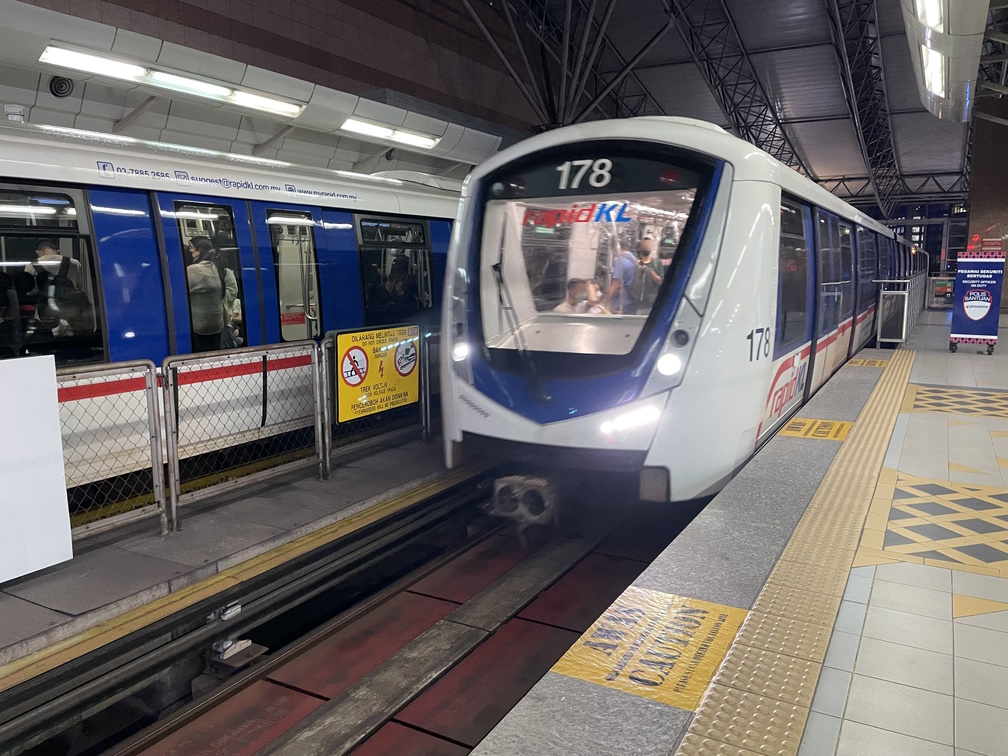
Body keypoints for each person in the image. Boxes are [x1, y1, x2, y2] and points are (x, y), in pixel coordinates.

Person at [186, 236, 225, 352]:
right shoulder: (214, 266)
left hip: (201, 326)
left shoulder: (194, 270)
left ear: (200, 251)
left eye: (191, 248)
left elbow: (178, 293)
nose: (189, 251)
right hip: (217, 324)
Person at [607, 243, 640, 314]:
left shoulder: (620, 261)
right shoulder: (634, 259)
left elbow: (615, 285)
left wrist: (606, 301)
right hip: (633, 300)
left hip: (621, 303)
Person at [634, 237, 664, 310]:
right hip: (638, 303)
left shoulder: (657, 263)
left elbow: (660, 281)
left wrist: (650, 271)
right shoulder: (636, 264)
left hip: (652, 303)